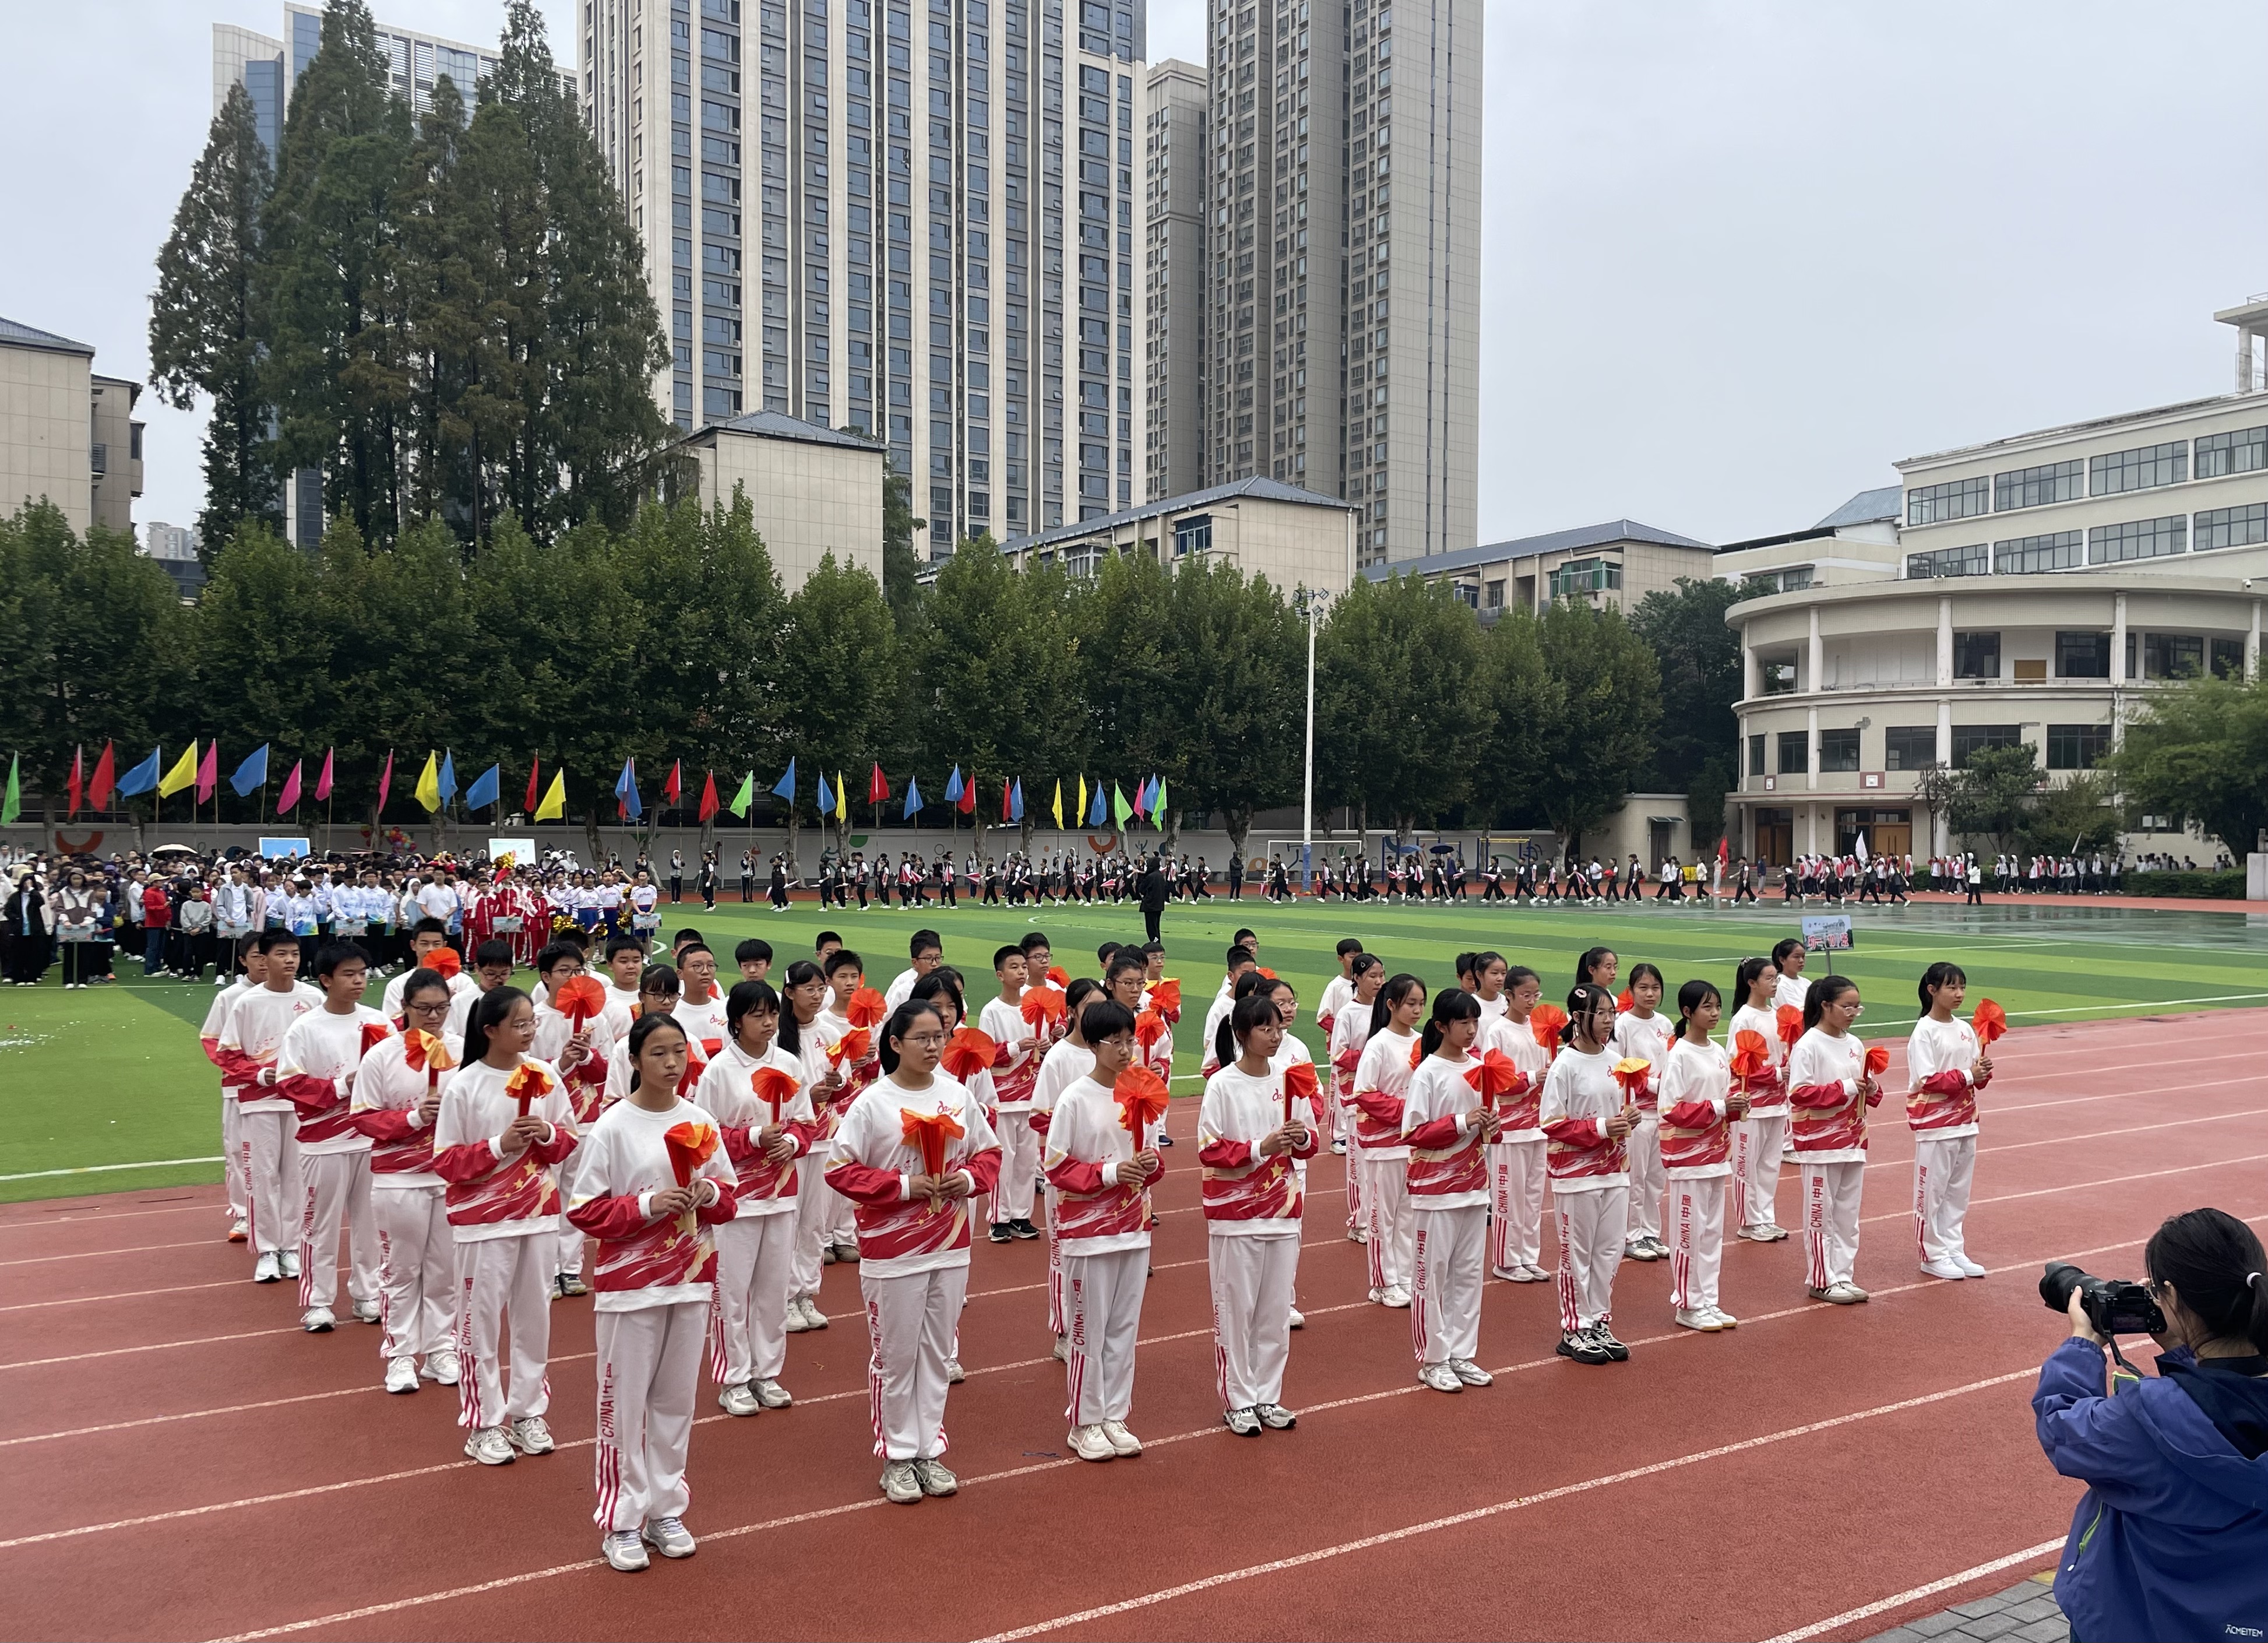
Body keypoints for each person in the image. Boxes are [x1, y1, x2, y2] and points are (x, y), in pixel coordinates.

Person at [2035, 1207, 2268, 1640]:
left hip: (2142, 1624)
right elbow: (2229, 1403)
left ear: (2172, 1296)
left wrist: (2082, 1345)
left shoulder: (2151, 1419)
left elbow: (2063, 1429)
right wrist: (2185, 1353)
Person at [568, 1011, 738, 1571]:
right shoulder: (613, 1125)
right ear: (636, 1060)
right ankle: (621, 1519)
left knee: (675, 1403)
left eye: (679, 1051)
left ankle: (666, 1508)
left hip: (690, 1280)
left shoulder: (700, 1120)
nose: (672, 1063)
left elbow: (730, 1197)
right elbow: (584, 1209)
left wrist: (707, 1193)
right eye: (659, 1053)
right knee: (624, 1406)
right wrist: (648, 1204)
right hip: (631, 1288)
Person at [824, 1000, 1002, 1504]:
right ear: (895, 1043)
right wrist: (905, 1186)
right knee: (897, 1356)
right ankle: (898, 1455)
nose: (932, 1045)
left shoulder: (956, 1095)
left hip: (949, 1246)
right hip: (893, 1252)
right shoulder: (873, 1103)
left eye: (938, 1036)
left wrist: (966, 1179)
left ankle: (929, 1448)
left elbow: (989, 1153)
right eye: (921, 1037)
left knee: (937, 1353)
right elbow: (840, 1169)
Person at [431, 987, 579, 1465]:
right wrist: (499, 1145)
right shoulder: (465, 1085)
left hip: (537, 1216)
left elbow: (569, 1139)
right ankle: (483, 1423)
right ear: (490, 1030)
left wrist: (547, 1133)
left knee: (534, 1319)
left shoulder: (544, 1075)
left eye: (532, 1022)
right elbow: (446, 1161)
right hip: (483, 1223)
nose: (529, 1030)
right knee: (480, 1324)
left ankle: (528, 1412)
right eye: (519, 1023)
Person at [1042, 998, 1160, 1461]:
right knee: (1088, 1330)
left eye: (1131, 1040)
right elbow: (1056, 1166)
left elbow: (1153, 1158)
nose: (1127, 1050)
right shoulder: (1075, 1098)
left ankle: (1114, 1412)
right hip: (1087, 1233)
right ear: (1094, 1045)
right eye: (1117, 1042)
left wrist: (1149, 1165)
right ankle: (1084, 1420)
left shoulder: (1140, 1093)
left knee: (1123, 1328)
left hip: (1134, 1226)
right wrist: (1112, 1173)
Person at [698, 979, 816, 1417]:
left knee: (772, 1290)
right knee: (732, 1291)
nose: (768, 1023)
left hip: (780, 1195)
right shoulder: (719, 1071)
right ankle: (733, 1378)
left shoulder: (788, 1063)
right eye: (757, 1015)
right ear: (736, 1021)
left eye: (772, 1014)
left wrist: (794, 1143)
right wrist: (752, 1138)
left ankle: (766, 1372)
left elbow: (806, 1122)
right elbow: (703, 1135)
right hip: (736, 1201)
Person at [1199, 991, 1315, 1435]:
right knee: (1237, 1311)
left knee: (1274, 1312)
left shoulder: (1289, 1080)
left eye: (1278, 1027)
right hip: (1236, 1215)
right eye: (1265, 1028)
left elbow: (1310, 1141)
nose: (1275, 1035)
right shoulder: (1222, 1085)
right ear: (1242, 1033)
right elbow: (1210, 1148)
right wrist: (1259, 1147)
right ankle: (1238, 1400)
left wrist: (1300, 1138)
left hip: (1283, 1210)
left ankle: (1268, 1394)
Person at [350, 967, 464, 1392]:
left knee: (444, 1270)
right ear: (405, 1008)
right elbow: (363, 1117)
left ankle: (440, 1348)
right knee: (401, 1269)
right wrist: (414, 1118)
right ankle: (399, 1354)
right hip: (398, 1179)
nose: (434, 1017)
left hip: (450, 1178)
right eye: (424, 1009)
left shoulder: (463, 1051)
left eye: (441, 1008)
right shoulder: (382, 1056)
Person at [272, 942, 391, 1332]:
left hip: (370, 1139)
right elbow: (290, 1083)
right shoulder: (305, 1028)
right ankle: (318, 1302)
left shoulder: (379, 1022)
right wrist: (343, 1085)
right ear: (325, 980)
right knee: (319, 1225)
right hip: (324, 1141)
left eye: (362, 973)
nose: (359, 981)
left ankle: (367, 1293)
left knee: (370, 1224)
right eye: (348, 974)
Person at [1403, 988, 1498, 1393]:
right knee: (1432, 1275)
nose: (1472, 1030)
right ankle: (1433, 1359)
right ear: (1442, 1026)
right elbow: (1413, 1131)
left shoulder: (1480, 1069)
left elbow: (1491, 1127)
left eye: (1475, 1021)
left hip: (1474, 1187)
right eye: (1464, 1022)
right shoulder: (1428, 1072)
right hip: (1435, 1189)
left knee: (1469, 1274)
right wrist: (1463, 1121)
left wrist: (1492, 1126)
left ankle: (1462, 1353)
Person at [215, 932, 323, 1283]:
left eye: (295, 954)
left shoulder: (313, 998)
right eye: (281, 954)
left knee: (295, 1177)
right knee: (262, 1176)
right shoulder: (247, 1002)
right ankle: (266, 1251)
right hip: (259, 1102)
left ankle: (290, 1247)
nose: (290, 960)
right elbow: (227, 1054)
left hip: (299, 1102)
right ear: (264, 958)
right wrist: (260, 1074)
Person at [1541, 984, 1637, 1366]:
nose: (1609, 1020)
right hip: (1576, 1175)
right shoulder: (1564, 1065)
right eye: (1601, 1014)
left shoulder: (1617, 1060)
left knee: (1609, 1252)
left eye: (1612, 1013)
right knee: (1576, 1254)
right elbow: (1551, 1122)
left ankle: (1599, 1321)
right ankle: (1574, 1328)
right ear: (1579, 1018)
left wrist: (1629, 1118)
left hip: (1615, 1171)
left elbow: (1624, 1107)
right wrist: (1601, 1127)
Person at [1656, 979, 1747, 1331]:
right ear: (1687, 1012)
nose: (1714, 1013)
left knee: (1711, 1232)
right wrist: (1722, 1107)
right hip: (1688, 1159)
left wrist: (1735, 1106)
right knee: (1689, 1233)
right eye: (1706, 1007)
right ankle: (1688, 1303)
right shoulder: (1679, 1054)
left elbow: (1723, 1101)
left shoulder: (1719, 1050)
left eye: (1717, 1006)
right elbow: (1671, 1109)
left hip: (1716, 1155)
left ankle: (1708, 1298)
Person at [1785, 975, 1881, 1305]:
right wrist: (1848, 1087)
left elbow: (1866, 1090)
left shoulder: (1855, 1044)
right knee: (1820, 1215)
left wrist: (1871, 1088)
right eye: (1847, 1007)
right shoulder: (1809, 1045)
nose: (1853, 1013)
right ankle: (1821, 1279)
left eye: (1858, 1007)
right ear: (1826, 1006)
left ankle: (1843, 1274)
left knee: (1847, 1215)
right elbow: (1799, 1093)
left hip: (1853, 1141)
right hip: (1819, 1145)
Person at [1908, 961, 1992, 1282]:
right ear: (1932, 990)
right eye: (1951, 987)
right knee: (1932, 1192)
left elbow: (1975, 1077)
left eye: (1962, 987)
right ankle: (1932, 1254)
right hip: (1935, 1125)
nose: (1959, 994)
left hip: (1966, 1121)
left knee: (1958, 1192)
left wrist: (1982, 1073)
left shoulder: (1965, 1029)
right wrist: (1971, 1075)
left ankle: (1953, 1248)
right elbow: (1928, 1080)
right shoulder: (1924, 1032)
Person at [1350, 974, 1422, 1307]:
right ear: (1391, 1005)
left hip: (1414, 1143)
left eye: (1421, 1004)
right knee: (1383, 1216)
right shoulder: (1378, 1044)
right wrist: (1407, 1112)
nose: (1417, 1010)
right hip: (1384, 1144)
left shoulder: (1422, 1042)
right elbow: (1364, 1093)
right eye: (1411, 1004)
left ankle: (1404, 1276)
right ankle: (1383, 1283)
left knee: (1408, 1214)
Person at [1480, 965, 1553, 1284]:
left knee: (1533, 1196)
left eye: (1536, 995)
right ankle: (1506, 1260)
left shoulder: (1540, 1030)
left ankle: (1528, 1256)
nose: (1532, 1001)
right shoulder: (1497, 1032)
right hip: (1510, 1128)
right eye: (1526, 995)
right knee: (1509, 1196)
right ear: (1509, 995)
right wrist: (1532, 1078)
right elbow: (1493, 1079)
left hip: (1538, 1126)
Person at [979, 944, 1045, 1242]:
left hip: (1031, 1097)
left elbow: (1044, 1045)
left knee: (1027, 1162)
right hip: (1003, 1099)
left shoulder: (1035, 1006)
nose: (1021, 972)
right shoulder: (991, 1011)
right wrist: (1016, 1047)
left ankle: (1021, 1215)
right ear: (1000, 974)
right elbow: (985, 1054)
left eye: (1023, 966)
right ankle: (999, 1219)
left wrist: (1048, 1043)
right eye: (1014, 967)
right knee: (1004, 1162)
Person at [1610, 963, 1673, 1264]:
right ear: (1631, 990)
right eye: (1643, 988)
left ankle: (1650, 1231)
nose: (1650, 994)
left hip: (1662, 1113)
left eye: (1655, 988)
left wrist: (1669, 1088)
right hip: (1636, 1115)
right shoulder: (1622, 1025)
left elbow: (1671, 1062)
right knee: (1635, 1177)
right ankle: (1631, 1235)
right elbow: (1619, 1070)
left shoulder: (1665, 1023)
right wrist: (1656, 1086)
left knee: (1656, 1178)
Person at [1728, 955, 1792, 1243]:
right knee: (1747, 1164)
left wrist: (1786, 1066)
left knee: (1769, 1164)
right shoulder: (1744, 1018)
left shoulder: (1776, 1014)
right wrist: (1777, 1073)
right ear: (1752, 983)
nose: (1775, 983)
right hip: (1751, 1106)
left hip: (1777, 1103)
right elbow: (1738, 1064)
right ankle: (1749, 1221)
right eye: (1769, 978)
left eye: (1776, 978)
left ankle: (1766, 1217)